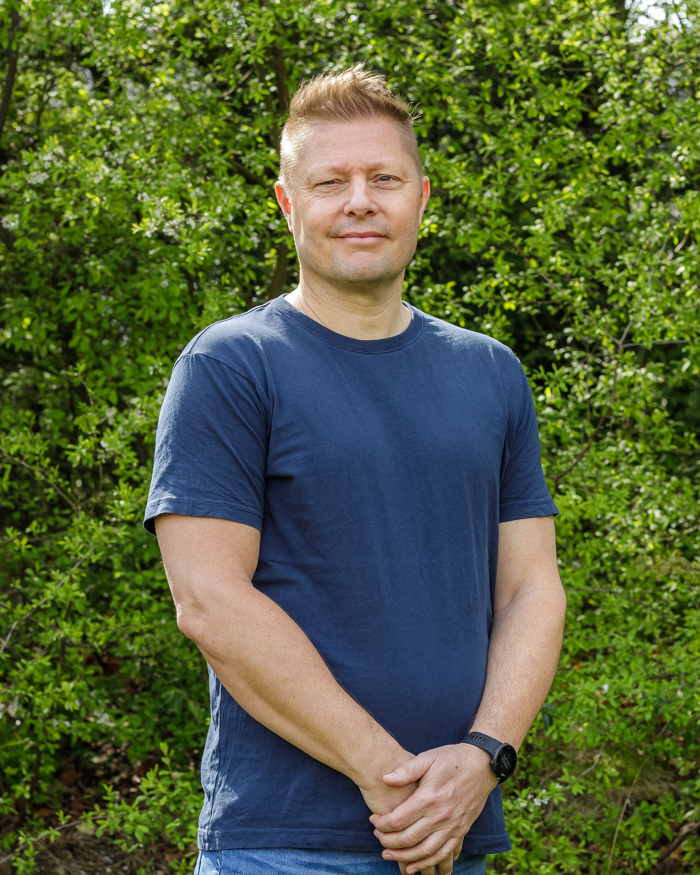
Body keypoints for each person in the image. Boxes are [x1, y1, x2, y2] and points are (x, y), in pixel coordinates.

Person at [144, 65, 566, 875]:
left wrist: (484, 755)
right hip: (282, 844)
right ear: (287, 203)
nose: (360, 201)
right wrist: (391, 778)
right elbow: (209, 601)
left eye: (385, 179)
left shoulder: (491, 372)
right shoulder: (230, 366)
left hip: (455, 834)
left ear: (422, 198)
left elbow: (531, 589)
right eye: (330, 182)